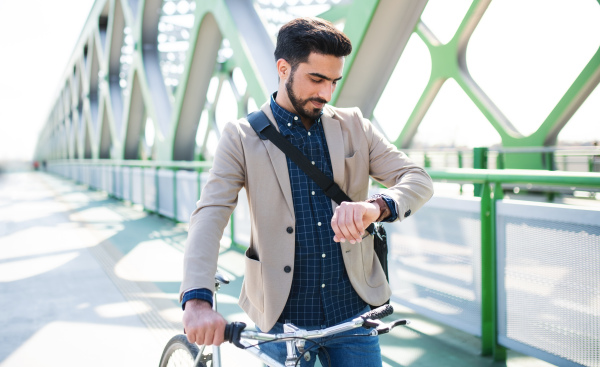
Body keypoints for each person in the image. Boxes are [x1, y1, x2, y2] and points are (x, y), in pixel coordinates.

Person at [180, 17, 434, 366]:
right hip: (280, 318)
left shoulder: (353, 125)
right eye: (316, 79)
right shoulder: (240, 137)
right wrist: (197, 300)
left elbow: (417, 178)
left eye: (333, 82)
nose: (326, 94)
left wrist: (375, 207)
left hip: (353, 315)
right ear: (283, 69)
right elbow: (210, 214)